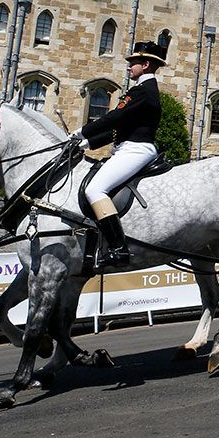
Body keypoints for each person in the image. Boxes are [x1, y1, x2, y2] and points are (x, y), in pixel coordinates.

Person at [69, 40, 167, 268]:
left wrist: (82, 130)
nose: (129, 67)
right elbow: (118, 129)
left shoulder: (144, 91)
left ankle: (118, 249)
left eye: (133, 63)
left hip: (136, 149)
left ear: (146, 64)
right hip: (128, 147)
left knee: (95, 189)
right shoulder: (141, 90)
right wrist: (86, 143)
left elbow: (114, 118)